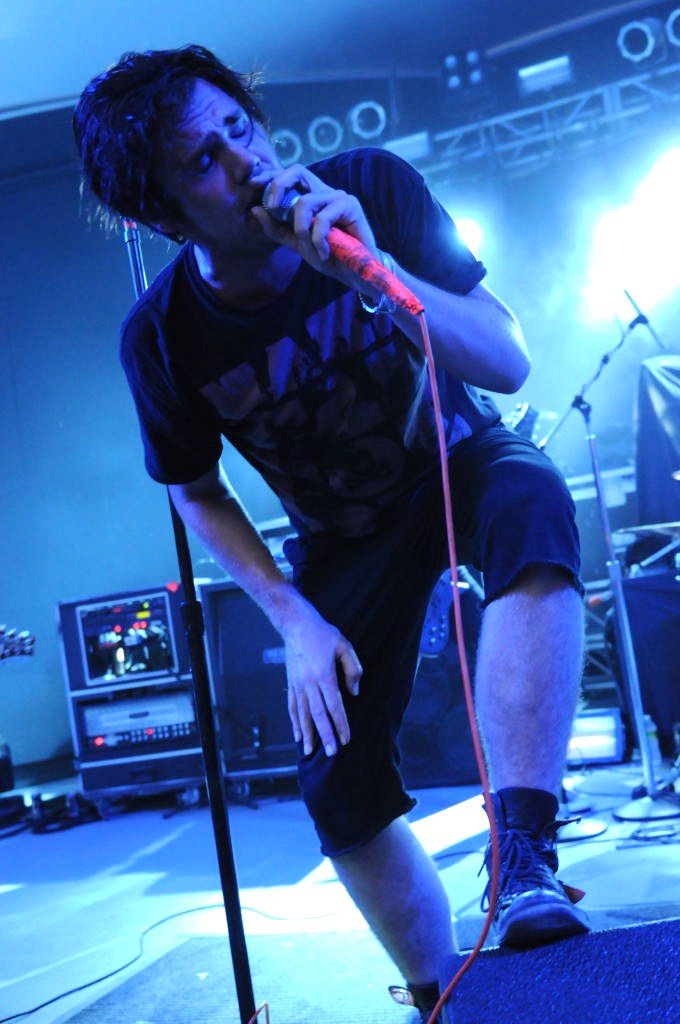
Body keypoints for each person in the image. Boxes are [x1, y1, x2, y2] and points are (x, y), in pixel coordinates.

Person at [74, 45, 589, 1021]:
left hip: (458, 459)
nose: (246, 163)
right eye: (203, 161)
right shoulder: (163, 336)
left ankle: (521, 854)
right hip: (343, 538)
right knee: (333, 775)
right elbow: (196, 492)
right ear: (162, 214)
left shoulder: (370, 190)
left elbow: (507, 359)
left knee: (530, 497)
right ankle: (445, 993)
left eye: (240, 128)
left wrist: (373, 270)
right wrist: (293, 620)